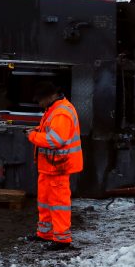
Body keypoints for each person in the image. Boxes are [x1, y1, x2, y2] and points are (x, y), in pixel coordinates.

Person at [25, 81, 83, 251]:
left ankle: (62, 240)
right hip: (50, 166)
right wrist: (36, 131)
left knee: (58, 203)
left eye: (40, 100)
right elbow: (51, 131)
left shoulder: (61, 113)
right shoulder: (55, 109)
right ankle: (45, 233)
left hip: (58, 167)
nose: (39, 104)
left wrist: (33, 136)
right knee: (44, 201)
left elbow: (55, 140)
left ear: (50, 97)